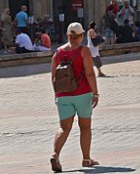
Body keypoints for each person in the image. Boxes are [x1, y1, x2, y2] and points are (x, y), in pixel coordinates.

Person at [50, 22, 99, 171]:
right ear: (81, 35)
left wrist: (57, 95)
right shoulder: (84, 51)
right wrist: (95, 92)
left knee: (64, 128)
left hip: (63, 95)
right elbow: (90, 73)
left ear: (67, 35)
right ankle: (86, 159)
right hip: (83, 93)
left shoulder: (57, 53)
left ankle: (55, 154)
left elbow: (53, 76)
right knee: (85, 127)